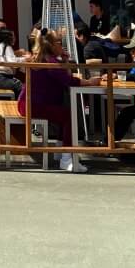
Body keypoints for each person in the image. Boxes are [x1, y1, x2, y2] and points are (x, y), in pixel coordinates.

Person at [9, 29, 102, 172]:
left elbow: (63, 78)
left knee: (61, 109)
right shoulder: (51, 62)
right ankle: (66, 158)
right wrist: (90, 82)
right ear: (52, 45)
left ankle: (60, 151)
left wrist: (63, 61)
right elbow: (69, 80)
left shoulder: (40, 58)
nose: (62, 46)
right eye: (60, 43)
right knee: (68, 116)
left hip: (27, 103)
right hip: (33, 105)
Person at [0, 27, 27, 97]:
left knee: (18, 84)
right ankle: (22, 106)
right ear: (7, 38)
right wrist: (25, 59)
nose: (15, 38)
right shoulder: (6, 46)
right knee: (22, 87)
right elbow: (13, 63)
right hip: (1, 78)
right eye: (13, 36)